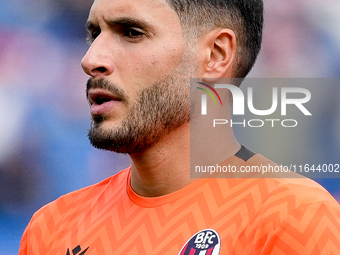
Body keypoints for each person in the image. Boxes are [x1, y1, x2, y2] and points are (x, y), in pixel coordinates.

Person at [19, 0, 340, 254]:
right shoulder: (51, 226)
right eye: (94, 34)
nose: (90, 58)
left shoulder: (295, 217)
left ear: (215, 55)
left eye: (131, 32)